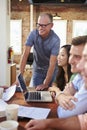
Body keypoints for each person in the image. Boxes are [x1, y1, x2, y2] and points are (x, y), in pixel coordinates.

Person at [25, 42, 87, 130]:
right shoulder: (60, 71)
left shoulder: (76, 76)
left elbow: (65, 110)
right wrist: (60, 94)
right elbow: (53, 87)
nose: (58, 57)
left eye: (62, 55)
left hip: (66, 115)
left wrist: (59, 94)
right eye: (58, 54)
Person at [18, 13, 60, 90]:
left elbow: (52, 63)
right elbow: (25, 55)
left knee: (49, 94)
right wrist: (20, 77)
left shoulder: (55, 40)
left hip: (51, 71)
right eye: (39, 25)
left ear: (51, 25)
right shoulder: (33, 34)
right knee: (34, 93)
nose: (40, 28)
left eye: (44, 25)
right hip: (37, 70)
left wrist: (46, 83)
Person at [56, 35, 87, 118]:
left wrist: (63, 96)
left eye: (77, 56)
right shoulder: (80, 76)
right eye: (70, 55)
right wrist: (60, 96)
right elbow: (63, 93)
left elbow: (63, 114)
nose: (70, 61)